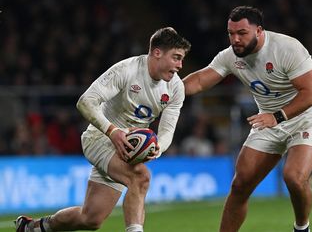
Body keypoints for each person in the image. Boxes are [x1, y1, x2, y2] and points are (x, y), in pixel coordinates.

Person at [15, 27, 191, 232]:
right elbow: (85, 102)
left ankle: (32, 228)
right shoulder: (127, 70)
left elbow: (167, 130)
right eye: (176, 58)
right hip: (99, 138)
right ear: (157, 52)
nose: (180, 65)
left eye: (182, 59)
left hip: (127, 150)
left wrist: (157, 148)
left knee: (90, 219)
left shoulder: (176, 88)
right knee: (141, 177)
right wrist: (112, 131)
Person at [183, 6, 312, 232]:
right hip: (267, 121)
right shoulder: (230, 56)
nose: (235, 39)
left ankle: (302, 228)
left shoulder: (287, 48)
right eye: (231, 33)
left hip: (304, 118)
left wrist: (278, 116)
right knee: (240, 185)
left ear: (259, 31)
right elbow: (201, 80)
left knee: (293, 177)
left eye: (242, 33)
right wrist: (167, 92)